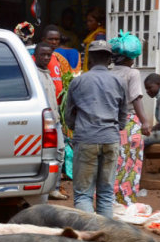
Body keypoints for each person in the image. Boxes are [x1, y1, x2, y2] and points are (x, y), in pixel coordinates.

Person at [64, 40, 127, 218]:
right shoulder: (118, 81)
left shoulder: (78, 82)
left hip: (86, 138)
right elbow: (123, 114)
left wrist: (78, 129)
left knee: (83, 194)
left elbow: (69, 115)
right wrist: (114, 129)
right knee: (106, 194)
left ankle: (90, 233)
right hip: (110, 138)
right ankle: (104, 235)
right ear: (109, 60)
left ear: (90, 59)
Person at [109, 32, 152, 206]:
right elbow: (136, 99)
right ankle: (125, 199)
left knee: (112, 162)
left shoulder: (109, 73)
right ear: (132, 57)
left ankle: (108, 199)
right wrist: (145, 121)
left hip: (110, 122)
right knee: (130, 163)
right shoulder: (132, 73)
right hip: (128, 123)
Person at [33, 44, 68, 200]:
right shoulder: (35, 74)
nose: (46, 58)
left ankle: (53, 187)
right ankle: (46, 187)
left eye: (49, 55)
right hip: (45, 123)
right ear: (36, 55)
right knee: (47, 155)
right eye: (43, 55)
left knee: (60, 152)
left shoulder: (47, 72)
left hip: (55, 121)